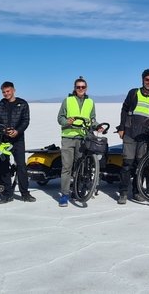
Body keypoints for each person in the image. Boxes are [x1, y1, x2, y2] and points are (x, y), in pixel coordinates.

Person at [116, 68, 149, 205]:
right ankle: (123, 192)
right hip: (130, 132)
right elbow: (124, 110)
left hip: (145, 135)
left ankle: (137, 192)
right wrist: (121, 128)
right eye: (147, 79)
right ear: (142, 80)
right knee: (127, 164)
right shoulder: (133, 93)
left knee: (140, 165)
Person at [0, 81, 34, 203]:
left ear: (13, 90)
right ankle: (7, 194)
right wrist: (4, 131)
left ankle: (25, 193)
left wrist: (17, 131)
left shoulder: (22, 104)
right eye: (4, 92)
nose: (6, 94)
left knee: (21, 166)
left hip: (18, 139)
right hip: (2, 140)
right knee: (4, 166)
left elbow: (25, 120)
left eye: (8, 91)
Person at [57, 76, 96, 207]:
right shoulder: (67, 100)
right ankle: (64, 194)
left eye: (83, 87)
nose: (80, 89)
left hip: (83, 138)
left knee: (80, 167)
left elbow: (92, 119)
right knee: (66, 167)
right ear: (74, 88)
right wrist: (66, 122)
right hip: (68, 138)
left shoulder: (90, 102)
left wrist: (97, 126)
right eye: (78, 87)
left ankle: (77, 190)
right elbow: (60, 118)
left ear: (86, 88)